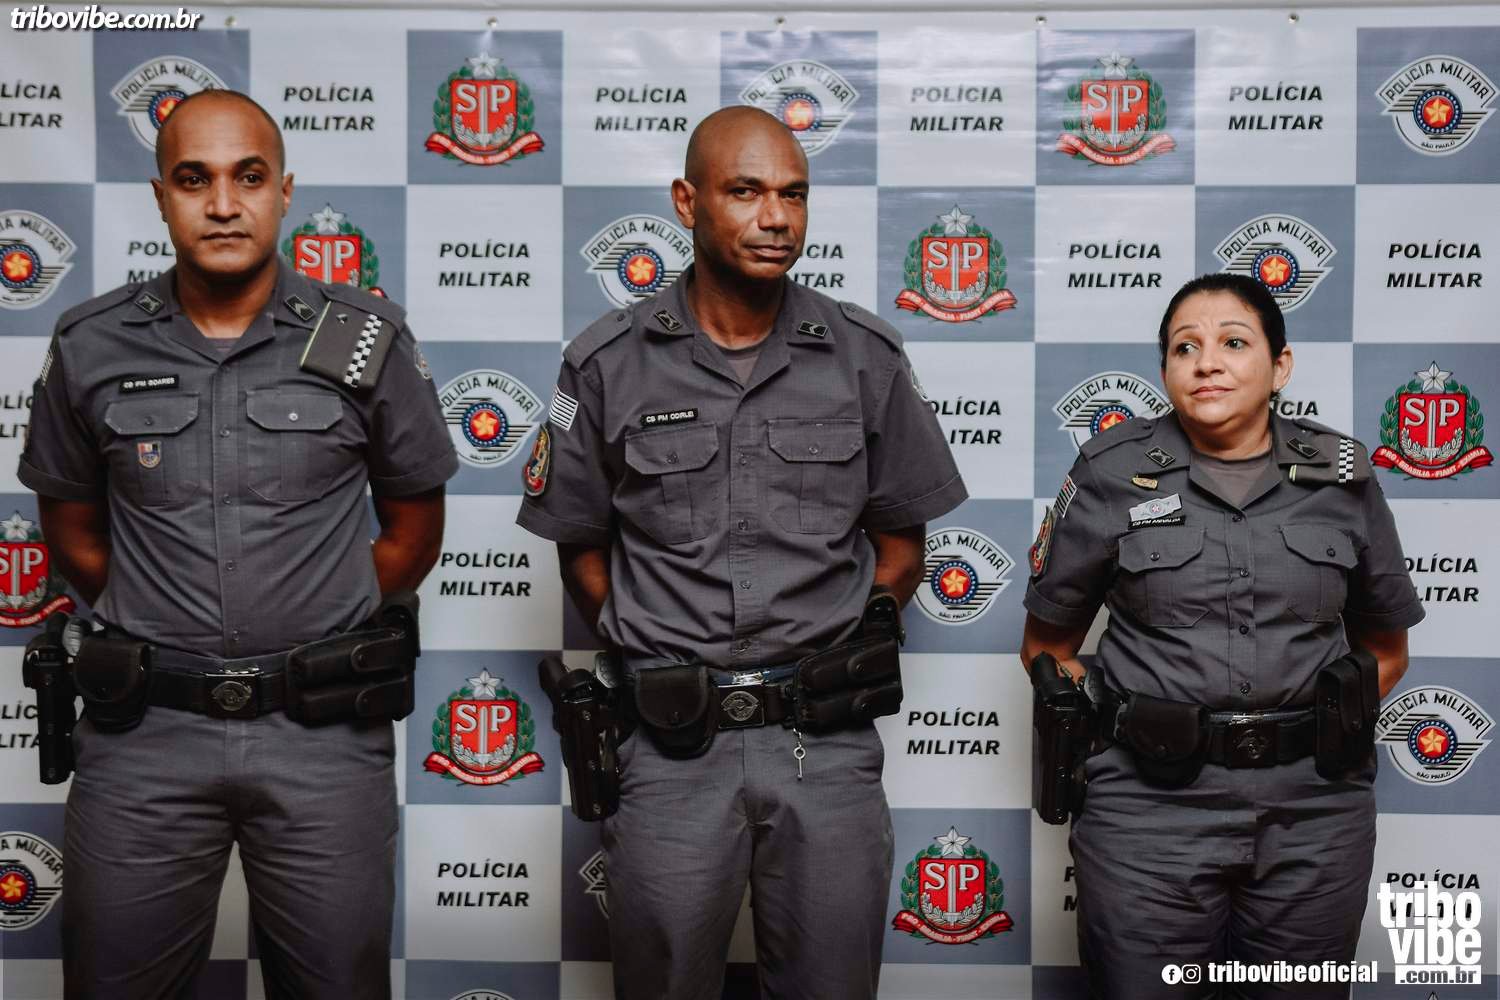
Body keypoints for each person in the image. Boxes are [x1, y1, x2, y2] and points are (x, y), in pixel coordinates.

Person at [517, 106, 966, 999]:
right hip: (669, 749)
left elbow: (902, 538)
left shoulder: (864, 354)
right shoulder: (606, 363)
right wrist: (642, 643)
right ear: (688, 202)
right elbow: (581, 543)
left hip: (824, 744)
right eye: (747, 192)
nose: (775, 218)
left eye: (793, 195)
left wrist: (867, 624)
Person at [18, 90, 456, 999]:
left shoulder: (359, 336)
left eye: (248, 178)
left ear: (284, 191)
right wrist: (160, 617)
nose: (223, 204)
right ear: (160, 197)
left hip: (323, 735)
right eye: (195, 180)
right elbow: (72, 530)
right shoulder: (92, 342)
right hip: (146, 738)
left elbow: (413, 528)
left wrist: (316, 617)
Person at [1021, 272, 1423, 998]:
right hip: (1148, 812)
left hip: (1314, 811)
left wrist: (1330, 717)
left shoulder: (1343, 476)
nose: (1206, 362)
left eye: (1234, 343)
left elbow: (1387, 650)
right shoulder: (1111, 473)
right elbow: (1046, 649)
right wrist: (1125, 728)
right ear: (1165, 371)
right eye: (1185, 348)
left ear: (1280, 365)